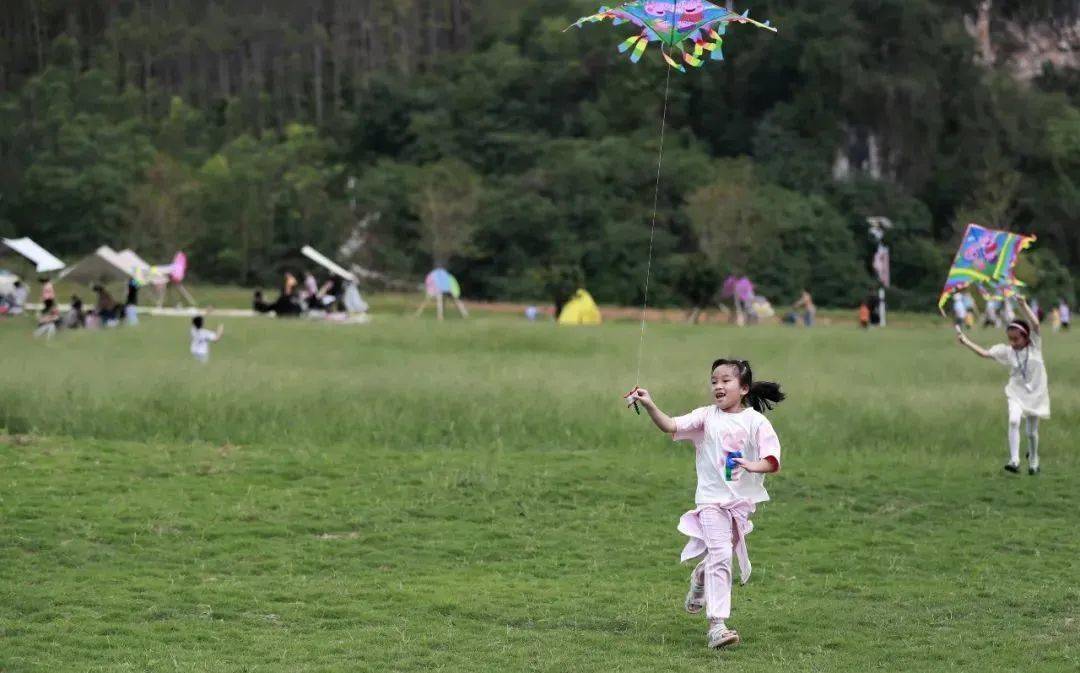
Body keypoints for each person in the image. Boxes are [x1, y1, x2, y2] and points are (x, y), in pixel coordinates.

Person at [626, 359, 785, 649]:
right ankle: (717, 627)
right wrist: (649, 404)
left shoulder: (756, 422)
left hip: (740, 505)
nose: (718, 386)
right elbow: (670, 425)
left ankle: (700, 576)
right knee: (722, 555)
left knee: (720, 555)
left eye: (725, 381)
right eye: (714, 381)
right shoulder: (706, 416)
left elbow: (772, 460)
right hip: (710, 501)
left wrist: (753, 465)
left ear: (744, 388)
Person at [955, 297, 1049, 475]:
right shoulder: (1007, 351)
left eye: (1016, 339)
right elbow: (984, 354)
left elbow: (1036, 324)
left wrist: (1023, 305)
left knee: (1031, 432)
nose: (1012, 343)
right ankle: (1014, 460)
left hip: (1035, 393)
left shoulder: (1035, 346)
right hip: (1016, 392)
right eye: (1010, 339)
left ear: (1026, 337)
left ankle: (1034, 460)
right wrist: (966, 341)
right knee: (1013, 420)